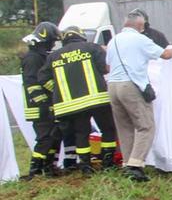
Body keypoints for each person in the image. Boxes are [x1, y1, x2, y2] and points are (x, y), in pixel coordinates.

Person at [106, 11, 172, 181]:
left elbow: (108, 65)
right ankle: (136, 164)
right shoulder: (140, 39)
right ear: (141, 25)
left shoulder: (113, 41)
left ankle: (127, 162)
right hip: (130, 86)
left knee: (124, 127)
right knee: (145, 125)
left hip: (113, 86)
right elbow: (165, 55)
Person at [38, 26, 118, 174]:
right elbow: (105, 69)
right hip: (97, 100)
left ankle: (86, 166)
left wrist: (57, 90)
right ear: (81, 36)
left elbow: (42, 78)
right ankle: (108, 163)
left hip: (72, 105)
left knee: (81, 133)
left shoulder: (54, 56)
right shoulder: (91, 48)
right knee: (108, 129)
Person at [19, 22, 64, 178]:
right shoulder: (32, 58)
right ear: (45, 40)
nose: (53, 44)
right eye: (52, 41)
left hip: (47, 105)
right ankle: (34, 171)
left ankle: (48, 167)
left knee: (54, 136)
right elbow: (32, 84)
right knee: (45, 138)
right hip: (39, 107)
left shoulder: (40, 56)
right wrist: (43, 103)